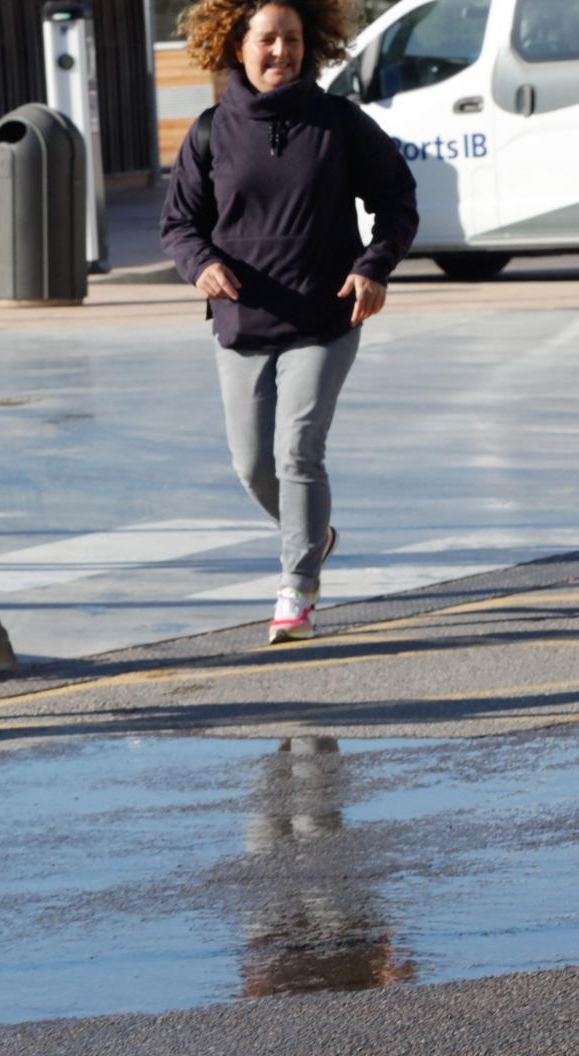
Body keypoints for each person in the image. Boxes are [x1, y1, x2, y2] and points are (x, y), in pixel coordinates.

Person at [162, 0, 416, 644]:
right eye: (268, 40)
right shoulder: (209, 132)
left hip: (325, 316)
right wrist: (201, 266)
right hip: (242, 323)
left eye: (294, 40)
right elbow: (179, 224)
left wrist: (374, 266)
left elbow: (396, 199)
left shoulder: (338, 125)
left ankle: (297, 588)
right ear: (236, 47)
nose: (283, 52)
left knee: (298, 451)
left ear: (313, 45)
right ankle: (316, 535)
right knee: (252, 466)